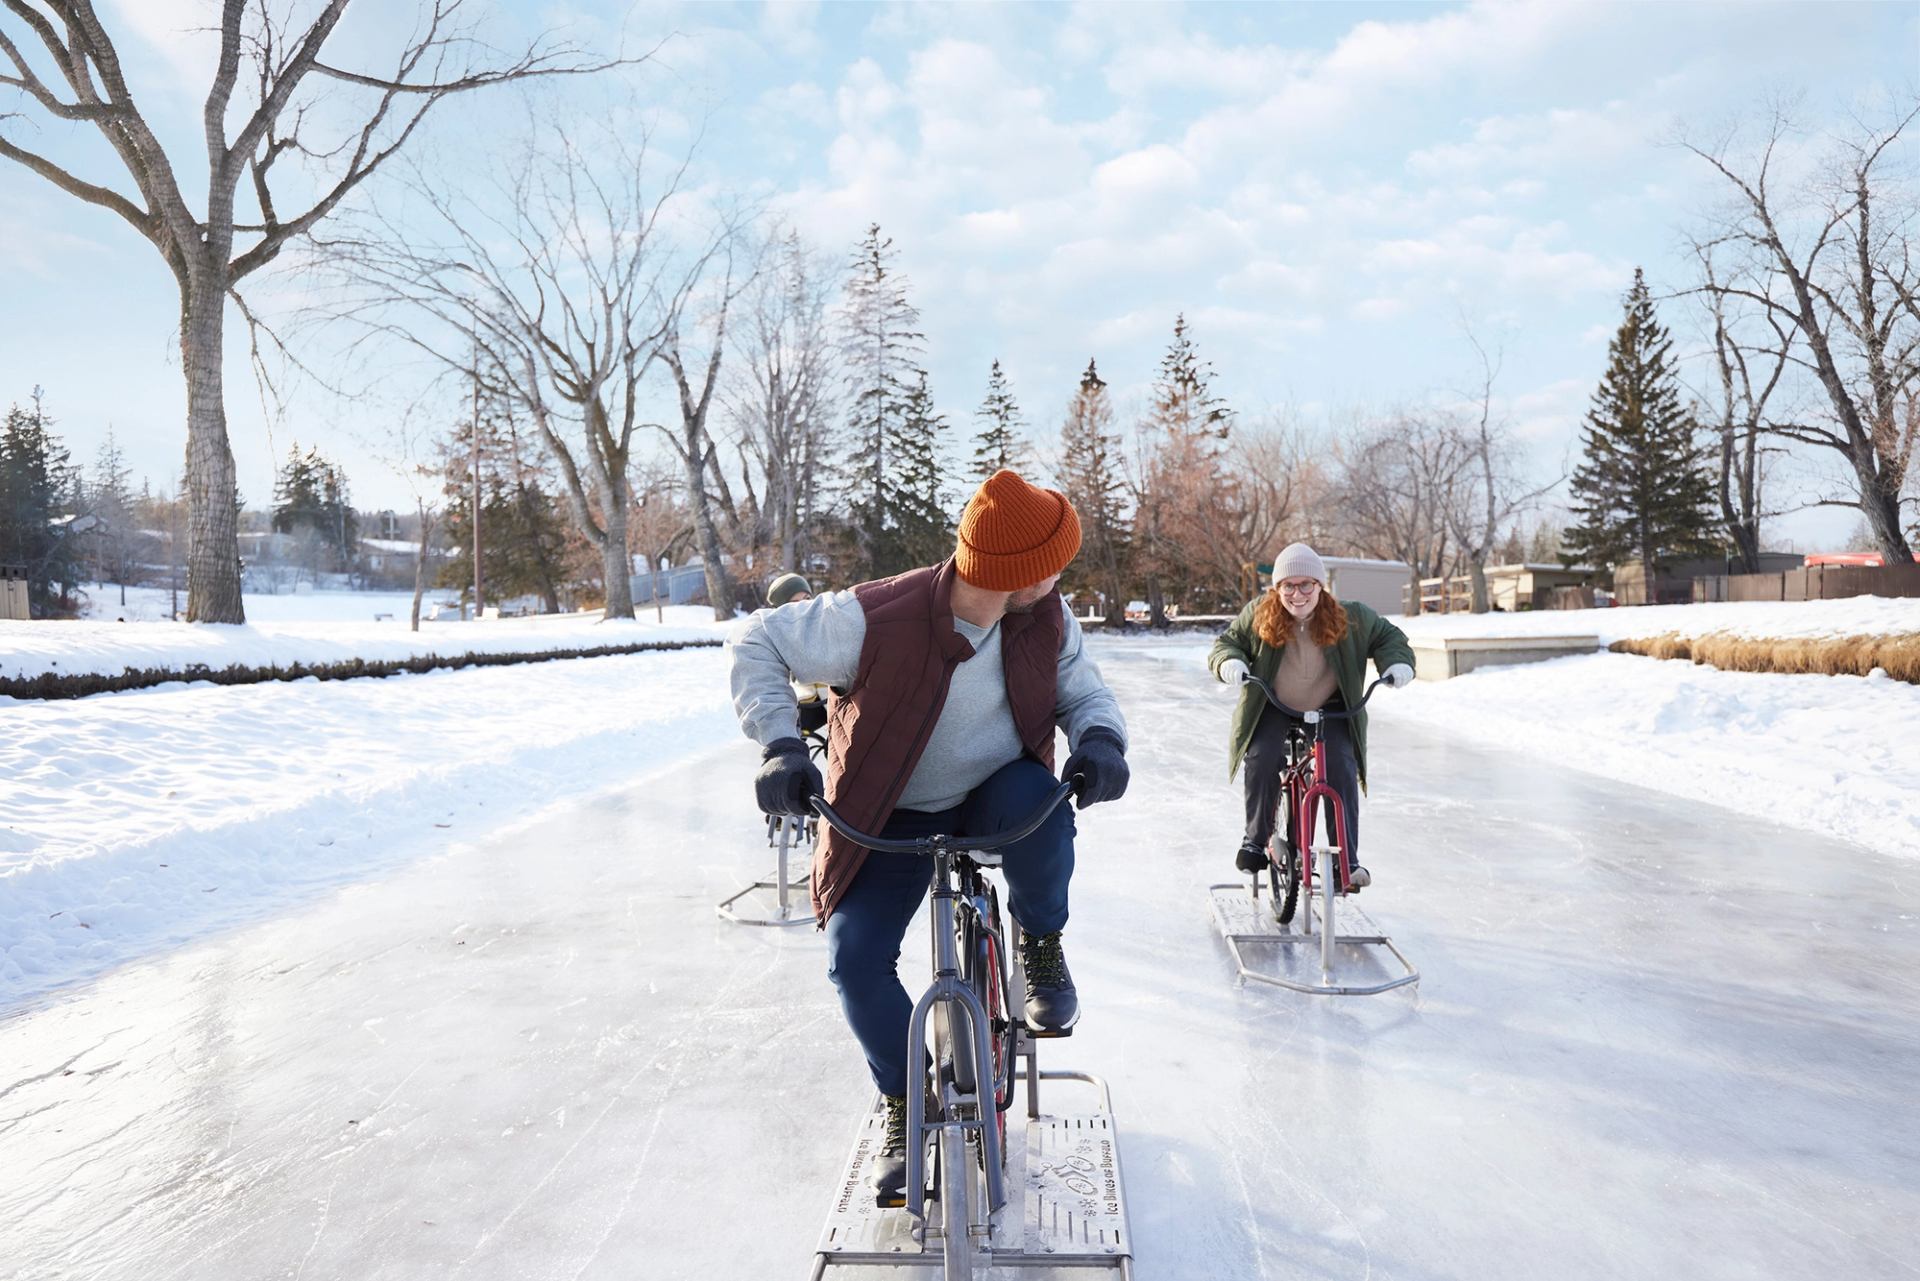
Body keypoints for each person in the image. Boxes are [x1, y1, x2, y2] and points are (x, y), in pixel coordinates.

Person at [730, 469, 1129, 1199]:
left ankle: (1039, 943)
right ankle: (904, 1097)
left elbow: (1082, 688)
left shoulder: (1045, 616)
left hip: (992, 795)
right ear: (1016, 573)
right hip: (887, 810)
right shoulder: (876, 617)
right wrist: (781, 744)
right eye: (1054, 562)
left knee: (1044, 803)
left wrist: (1100, 738)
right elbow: (759, 642)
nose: (1062, 575)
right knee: (854, 961)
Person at [1208, 543, 1415, 890]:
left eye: (1307, 585)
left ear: (1321, 586)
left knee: (1340, 766)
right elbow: (1227, 643)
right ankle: (1255, 840)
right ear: (1277, 589)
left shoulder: (1351, 617)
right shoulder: (1259, 612)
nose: (1297, 594)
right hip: (1274, 703)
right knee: (1261, 756)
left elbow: (1388, 637)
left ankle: (1345, 862)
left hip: (1329, 707)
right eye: (1288, 585)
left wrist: (1396, 663)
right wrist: (1229, 662)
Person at [764, 573, 828, 736]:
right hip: (806, 708)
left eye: (807, 599)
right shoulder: (774, 636)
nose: (804, 607)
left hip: (836, 701)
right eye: (794, 603)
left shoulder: (825, 623)